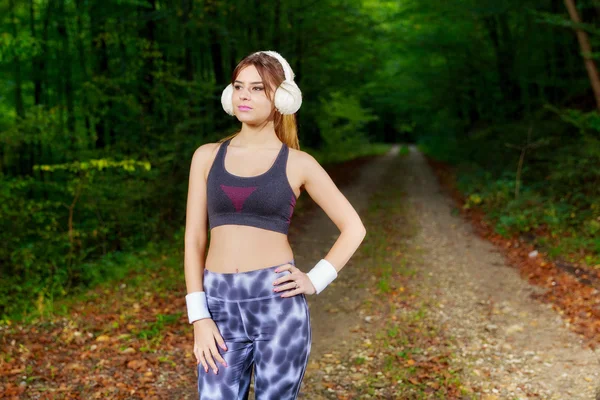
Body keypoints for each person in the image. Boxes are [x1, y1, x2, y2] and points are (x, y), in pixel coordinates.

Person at [183, 50, 367, 400]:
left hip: (277, 306)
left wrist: (315, 279)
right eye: (239, 87)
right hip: (218, 304)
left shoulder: (299, 163)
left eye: (257, 89)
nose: (244, 96)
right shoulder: (206, 156)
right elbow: (194, 238)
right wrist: (199, 317)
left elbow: (354, 227)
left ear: (282, 98)